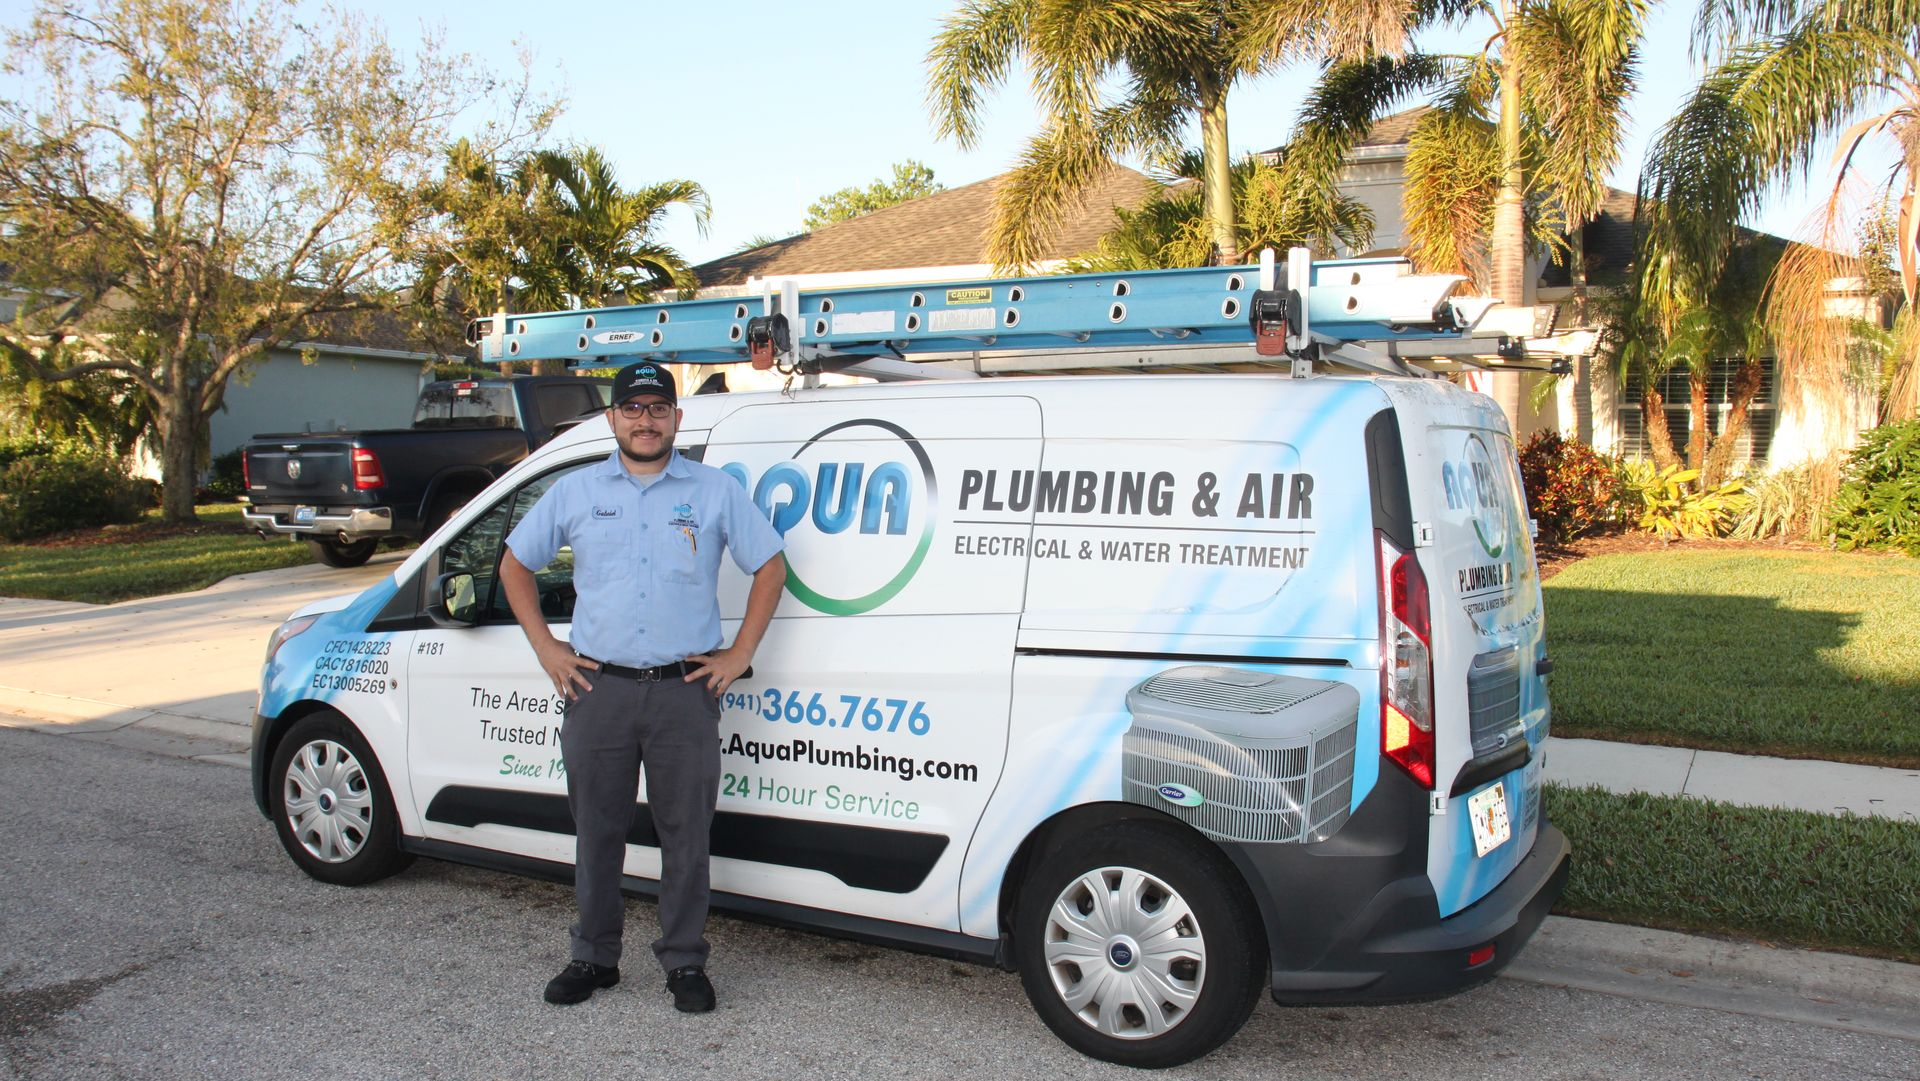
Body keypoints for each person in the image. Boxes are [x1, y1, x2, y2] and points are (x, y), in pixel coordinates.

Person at [499, 360, 786, 1013]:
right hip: (598, 691)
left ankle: (684, 961)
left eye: (658, 408)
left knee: (685, 835)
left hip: (683, 692)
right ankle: (594, 956)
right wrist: (547, 648)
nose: (646, 419)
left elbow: (771, 566)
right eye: (634, 408)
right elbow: (515, 562)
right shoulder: (575, 491)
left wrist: (739, 653)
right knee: (596, 830)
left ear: (677, 419)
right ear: (613, 418)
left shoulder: (713, 491)